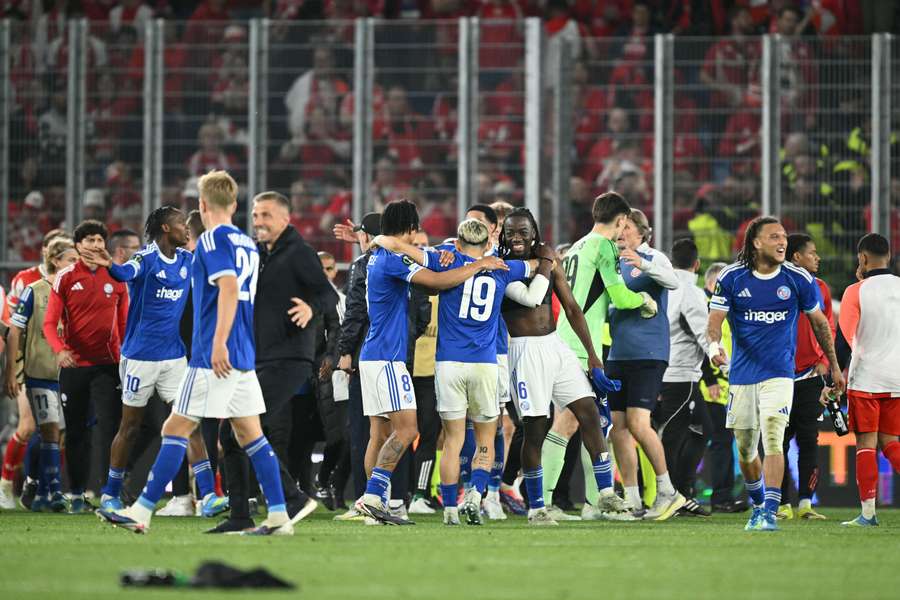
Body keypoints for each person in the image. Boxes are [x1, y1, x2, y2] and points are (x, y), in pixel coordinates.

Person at [97, 170, 293, 535]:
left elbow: (230, 289)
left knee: (176, 426)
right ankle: (280, 516)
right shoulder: (247, 243)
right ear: (234, 205)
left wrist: (217, 343)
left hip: (213, 356)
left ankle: (141, 511)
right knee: (252, 434)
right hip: (243, 355)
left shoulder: (210, 241)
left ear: (202, 206)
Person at [352, 200, 507, 525]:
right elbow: (437, 283)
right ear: (410, 229)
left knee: (378, 436)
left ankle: (372, 507)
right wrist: (477, 265)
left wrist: (446, 258)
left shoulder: (380, 257)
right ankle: (371, 497)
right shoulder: (392, 261)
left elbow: (432, 267)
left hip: (372, 355)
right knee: (408, 431)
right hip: (388, 359)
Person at [377, 219, 537, 526]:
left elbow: (398, 246)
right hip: (485, 364)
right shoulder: (501, 268)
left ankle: (450, 510)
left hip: (449, 363)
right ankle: (476, 496)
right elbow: (536, 265)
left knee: (451, 440)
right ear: (486, 243)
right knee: (486, 438)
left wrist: (379, 241)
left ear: (459, 243)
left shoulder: (445, 260)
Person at [78, 207, 222, 516]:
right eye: (182, 224)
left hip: (173, 357)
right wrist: (110, 266)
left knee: (190, 423)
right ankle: (110, 493)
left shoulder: (186, 260)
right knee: (130, 427)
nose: (187, 229)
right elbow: (125, 273)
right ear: (166, 229)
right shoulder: (146, 259)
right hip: (139, 358)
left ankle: (208, 495)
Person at [707, 216, 843, 532]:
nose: (782, 242)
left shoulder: (797, 279)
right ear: (756, 242)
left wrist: (834, 365)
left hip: (780, 373)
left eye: (783, 236)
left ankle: (769, 510)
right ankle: (758, 505)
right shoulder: (732, 277)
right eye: (774, 237)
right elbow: (715, 321)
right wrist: (714, 347)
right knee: (744, 448)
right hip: (742, 375)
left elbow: (821, 324)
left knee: (773, 434)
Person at [500, 208, 633, 526]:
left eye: (522, 231)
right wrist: (546, 261)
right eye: (510, 232)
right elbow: (533, 299)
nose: (516, 238)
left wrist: (593, 355)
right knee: (534, 429)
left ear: (534, 232)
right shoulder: (504, 267)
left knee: (590, 413)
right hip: (525, 351)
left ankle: (604, 493)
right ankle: (536, 508)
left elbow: (573, 308)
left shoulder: (549, 262)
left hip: (556, 346)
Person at [210, 191, 331, 533]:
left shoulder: (300, 253)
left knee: (243, 429)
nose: (259, 221)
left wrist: (311, 309)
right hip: (258, 358)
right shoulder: (256, 253)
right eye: (255, 215)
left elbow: (326, 293)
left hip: (290, 358)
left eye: (265, 215)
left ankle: (293, 498)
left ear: (285, 219)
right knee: (231, 433)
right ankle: (239, 515)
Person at [543, 192, 658, 521]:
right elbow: (620, 296)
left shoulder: (578, 246)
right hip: (580, 348)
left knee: (594, 425)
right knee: (568, 424)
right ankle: (547, 502)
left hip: (563, 340)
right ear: (621, 220)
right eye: (625, 223)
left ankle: (595, 502)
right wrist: (645, 302)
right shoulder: (605, 247)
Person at [43, 220, 129, 513]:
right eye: (89, 240)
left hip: (109, 366)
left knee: (112, 428)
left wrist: (123, 358)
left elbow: (124, 324)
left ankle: (111, 491)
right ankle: (78, 493)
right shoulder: (65, 277)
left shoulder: (117, 277)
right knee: (77, 432)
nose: (95, 245)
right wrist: (59, 350)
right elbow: (48, 323)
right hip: (75, 366)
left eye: (99, 240)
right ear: (78, 245)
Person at [606, 209, 684, 520]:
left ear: (642, 232)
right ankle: (633, 500)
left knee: (639, 423)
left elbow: (673, 282)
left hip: (648, 352)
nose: (620, 232)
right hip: (618, 353)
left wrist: (645, 263)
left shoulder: (654, 257)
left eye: (626, 227)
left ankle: (668, 491)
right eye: (617, 227)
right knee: (618, 429)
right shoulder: (612, 261)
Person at [4, 238, 78, 511]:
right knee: (46, 429)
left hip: (70, 373)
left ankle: (39, 487)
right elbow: (15, 329)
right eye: (71, 259)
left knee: (60, 433)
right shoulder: (34, 290)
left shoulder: (76, 291)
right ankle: (52, 492)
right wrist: (11, 371)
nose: (77, 264)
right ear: (56, 261)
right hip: (41, 372)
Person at [835, 234, 900, 527]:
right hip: (897, 380)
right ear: (889, 256)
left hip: (866, 380)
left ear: (862, 258)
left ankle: (868, 513)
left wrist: (831, 377)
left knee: (866, 444)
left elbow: (844, 340)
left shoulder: (855, 291)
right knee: (891, 443)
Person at [778, 233, 833, 520]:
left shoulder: (821, 288)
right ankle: (782, 504)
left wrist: (825, 360)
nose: (818, 258)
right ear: (796, 257)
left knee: (809, 441)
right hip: (779, 376)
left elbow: (829, 328)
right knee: (778, 443)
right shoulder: (777, 284)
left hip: (811, 376)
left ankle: (806, 505)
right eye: (812, 253)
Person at [656, 238, 712, 517]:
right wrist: (720, 358)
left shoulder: (665, 286)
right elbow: (704, 333)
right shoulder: (691, 292)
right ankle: (673, 494)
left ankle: (679, 492)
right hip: (681, 374)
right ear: (697, 264)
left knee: (700, 430)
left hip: (666, 369)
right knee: (675, 435)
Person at [700, 263, 748, 514]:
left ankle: (720, 495)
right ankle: (720, 497)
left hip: (726, 386)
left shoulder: (727, 311)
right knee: (719, 442)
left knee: (718, 442)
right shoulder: (707, 310)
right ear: (711, 284)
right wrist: (710, 380)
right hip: (711, 388)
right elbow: (701, 346)